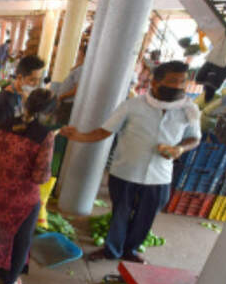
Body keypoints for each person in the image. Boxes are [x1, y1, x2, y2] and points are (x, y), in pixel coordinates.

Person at [59, 61, 202, 263]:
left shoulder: (189, 110)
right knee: (120, 213)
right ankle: (111, 250)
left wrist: (180, 148)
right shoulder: (132, 106)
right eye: (172, 81)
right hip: (126, 170)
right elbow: (105, 131)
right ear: (155, 83)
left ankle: (130, 251)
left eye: (182, 82)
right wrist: (79, 136)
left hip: (159, 175)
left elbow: (194, 138)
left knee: (146, 216)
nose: (178, 86)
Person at [0, 89, 57, 284]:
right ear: (49, 113)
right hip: (21, 199)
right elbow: (40, 177)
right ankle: (9, 283)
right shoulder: (45, 136)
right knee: (20, 239)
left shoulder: (3, 125)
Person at [0, 55, 45, 147]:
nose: (36, 84)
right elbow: (3, 133)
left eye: (39, 80)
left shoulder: (22, 96)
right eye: (32, 80)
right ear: (19, 78)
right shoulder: (5, 100)